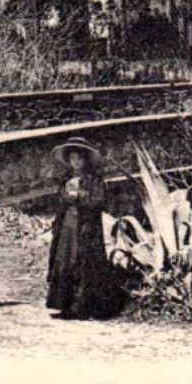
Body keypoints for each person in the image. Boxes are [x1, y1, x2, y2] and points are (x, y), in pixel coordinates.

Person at [45, 137, 119, 320]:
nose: (76, 162)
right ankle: (65, 306)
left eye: (79, 158)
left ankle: (83, 307)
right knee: (65, 261)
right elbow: (59, 202)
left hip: (86, 228)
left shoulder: (94, 180)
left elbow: (100, 201)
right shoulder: (66, 179)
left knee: (83, 262)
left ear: (85, 160)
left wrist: (79, 196)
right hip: (67, 226)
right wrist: (65, 200)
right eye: (72, 158)